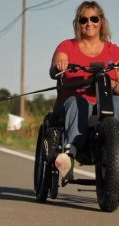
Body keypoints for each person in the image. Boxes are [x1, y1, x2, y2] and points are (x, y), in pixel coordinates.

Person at [49, 1, 119, 180]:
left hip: (106, 101)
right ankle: (69, 155)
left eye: (94, 19)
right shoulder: (67, 46)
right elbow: (54, 70)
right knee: (78, 103)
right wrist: (60, 66)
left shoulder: (114, 51)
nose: (89, 23)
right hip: (74, 98)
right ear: (78, 23)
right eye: (84, 20)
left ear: (101, 21)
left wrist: (114, 85)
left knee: (116, 103)